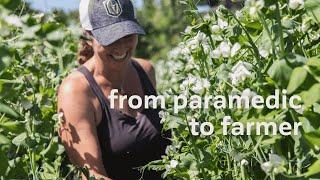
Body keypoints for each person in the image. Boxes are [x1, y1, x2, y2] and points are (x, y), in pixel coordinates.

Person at [57, 0, 171, 179]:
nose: (121, 46)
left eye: (128, 35)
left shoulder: (145, 71)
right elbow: (93, 175)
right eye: (110, 38)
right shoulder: (76, 91)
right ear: (89, 35)